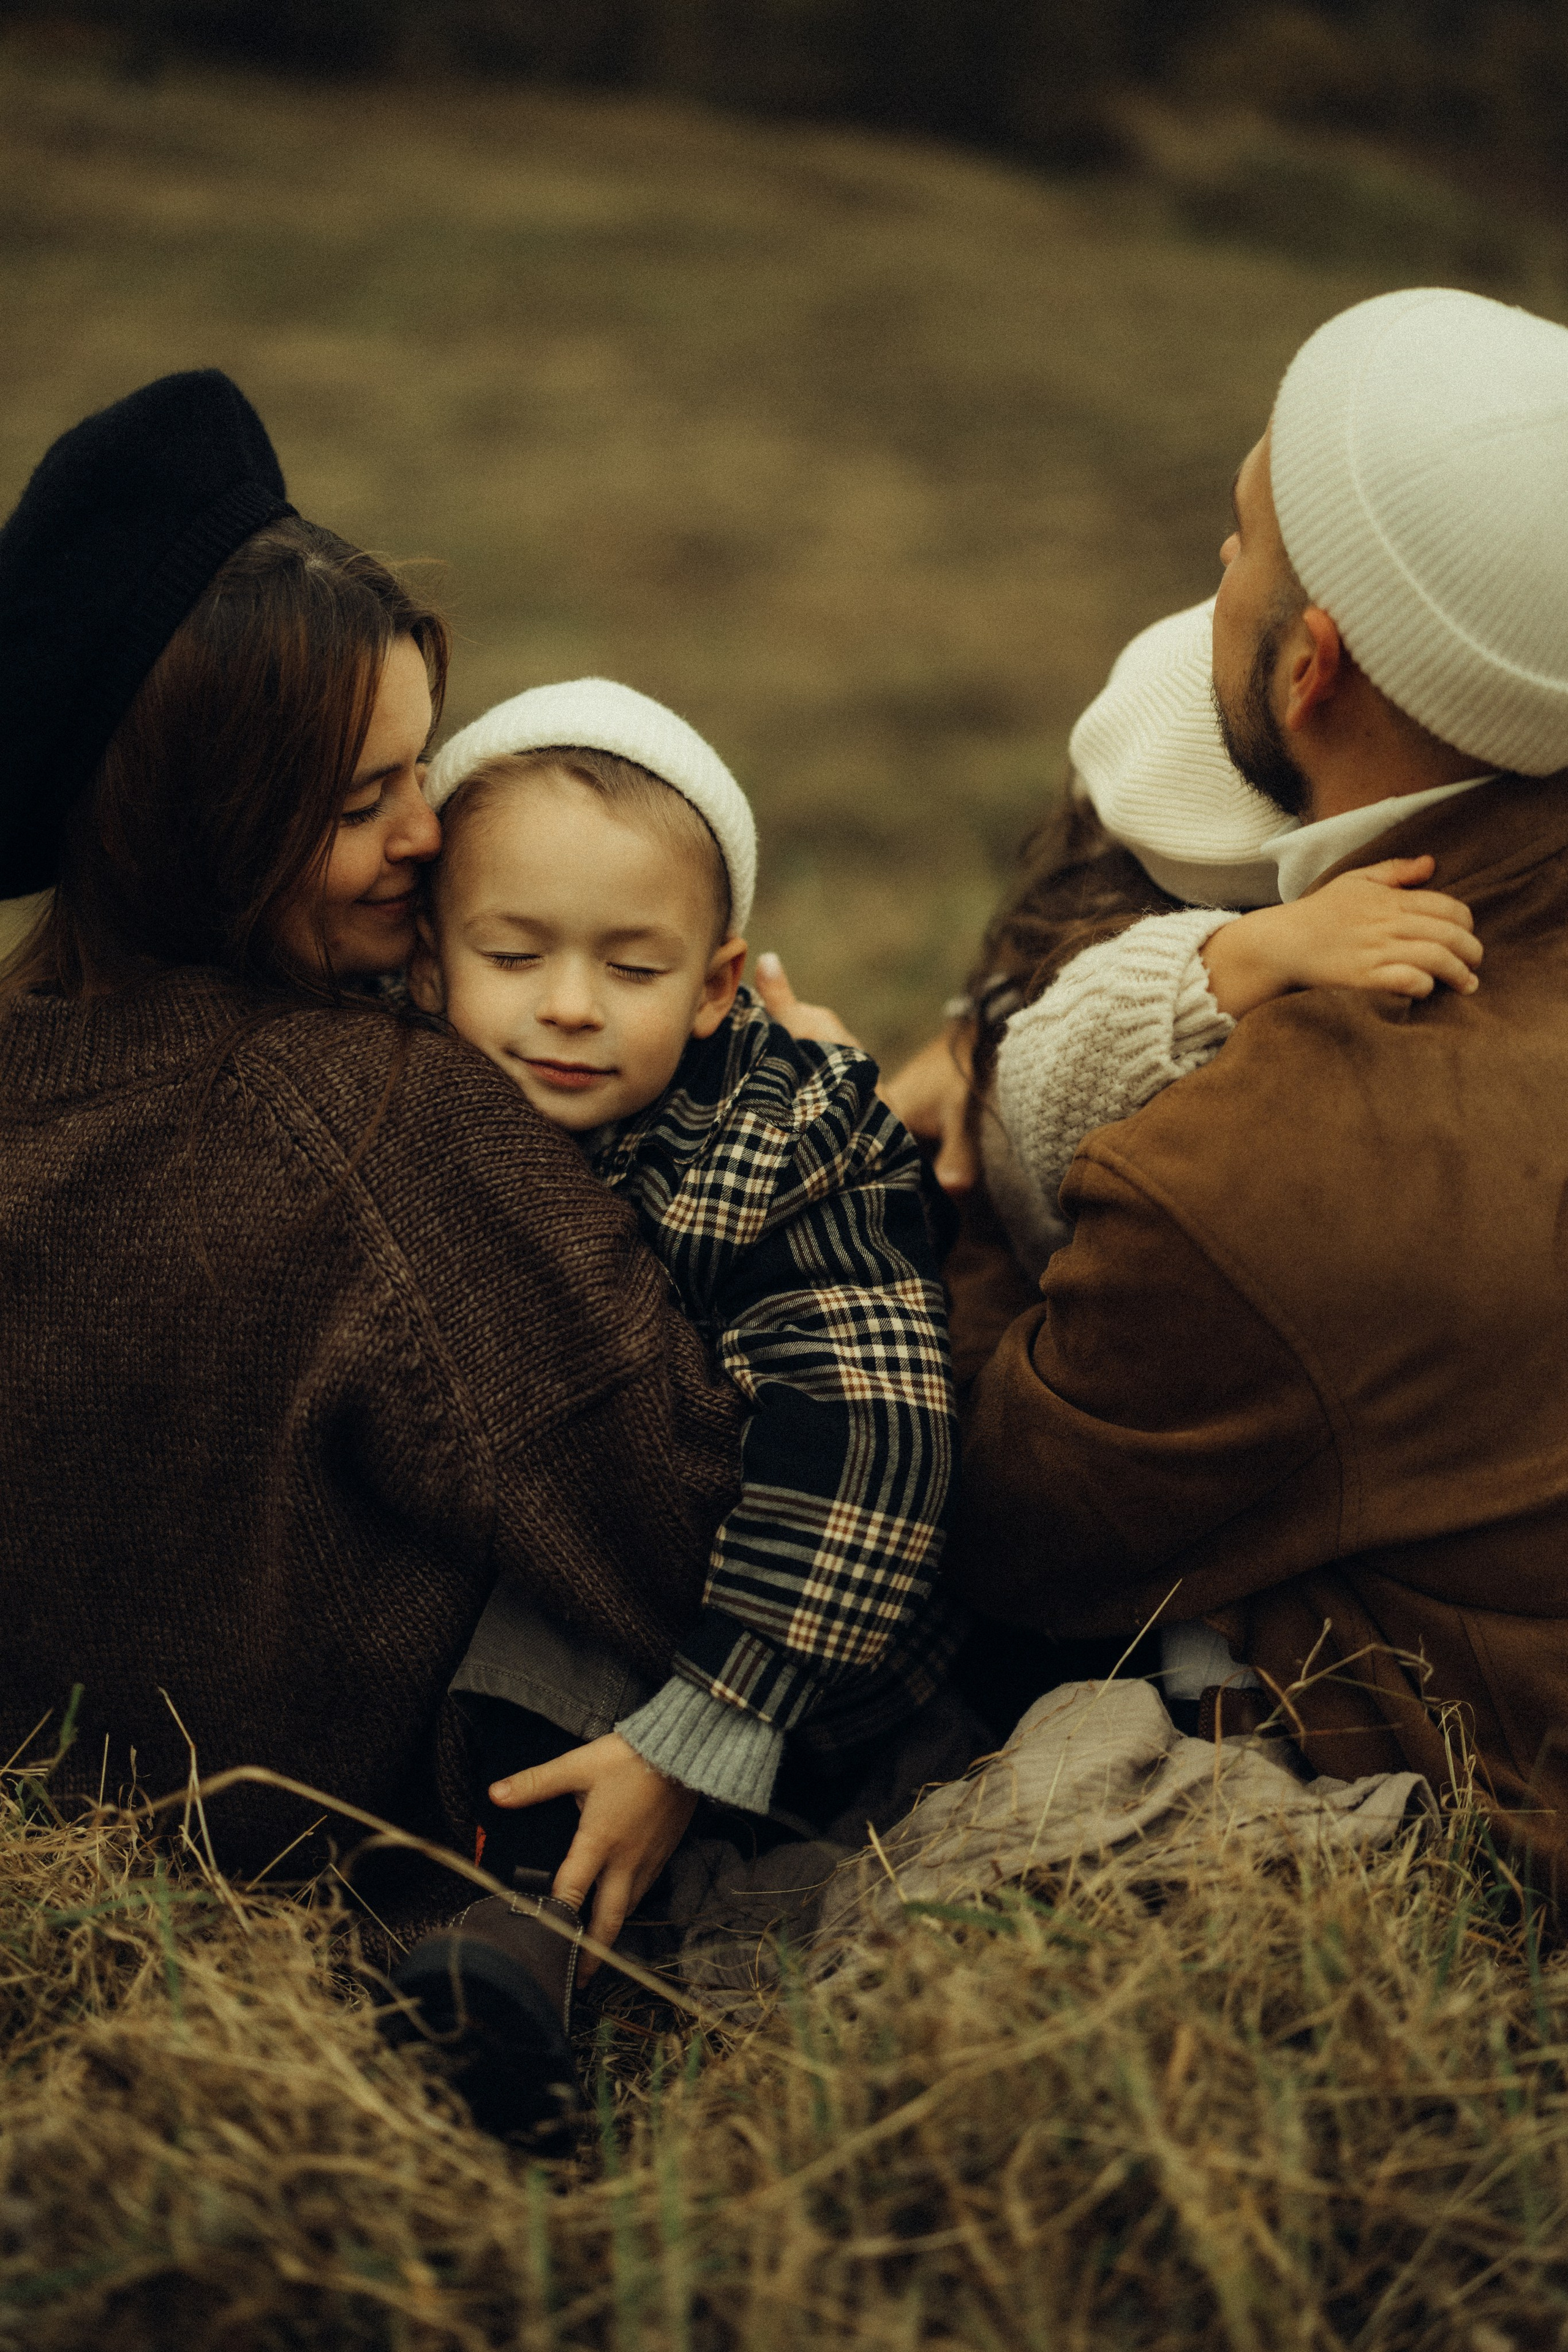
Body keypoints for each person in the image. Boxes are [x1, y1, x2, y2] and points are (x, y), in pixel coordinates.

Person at [0, 371, 747, 2128]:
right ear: (198, 825)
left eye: (427, 760)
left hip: (108, 1867)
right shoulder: (376, 1130)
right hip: (410, 1894)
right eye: (363, 803)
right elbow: (687, 1519)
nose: (432, 832)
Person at [911, 285, 1568, 1889]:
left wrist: (982, 1124)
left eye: (1235, 545)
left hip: (1467, 1786)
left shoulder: (1261, 1165)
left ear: (1308, 674)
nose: (1215, 576)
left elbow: (1004, 1526)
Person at [405, 680, 959, 1879]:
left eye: (632, 971)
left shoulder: (791, 1147)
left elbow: (868, 1445)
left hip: (767, 1640)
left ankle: (524, 1922)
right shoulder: (395, 1089)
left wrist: (713, 1718)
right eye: (510, 953)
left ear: (714, 987)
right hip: (504, 1555)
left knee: (549, 1632)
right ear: (425, 954)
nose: (565, 1008)